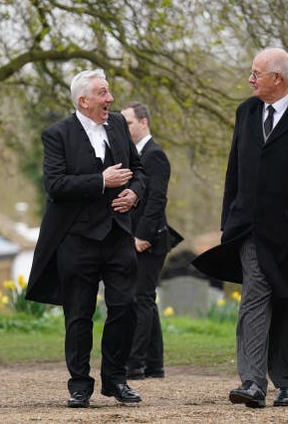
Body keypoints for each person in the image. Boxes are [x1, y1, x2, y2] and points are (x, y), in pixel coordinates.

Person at [194, 48, 288, 408]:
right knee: (254, 300)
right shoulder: (245, 112)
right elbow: (235, 170)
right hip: (250, 228)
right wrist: (227, 222)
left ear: (277, 78)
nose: (250, 79)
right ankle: (253, 382)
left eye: (255, 73)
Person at [25, 70, 146, 408]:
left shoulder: (120, 125)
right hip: (76, 239)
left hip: (119, 235)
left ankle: (116, 379)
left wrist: (134, 193)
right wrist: (100, 181)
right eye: (103, 93)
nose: (110, 99)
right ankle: (79, 384)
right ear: (84, 101)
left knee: (125, 306)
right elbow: (55, 186)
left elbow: (140, 171)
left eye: (108, 93)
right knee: (79, 314)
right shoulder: (57, 134)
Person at [121, 101, 172, 380]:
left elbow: (156, 200)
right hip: (137, 237)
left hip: (150, 239)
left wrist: (142, 235)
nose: (124, 127)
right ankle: (155, 364)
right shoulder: (135, 156)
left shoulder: (154, 155)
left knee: (139, 299)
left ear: (144, 122)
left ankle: (135, 365)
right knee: (145, 299)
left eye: (128, 122)